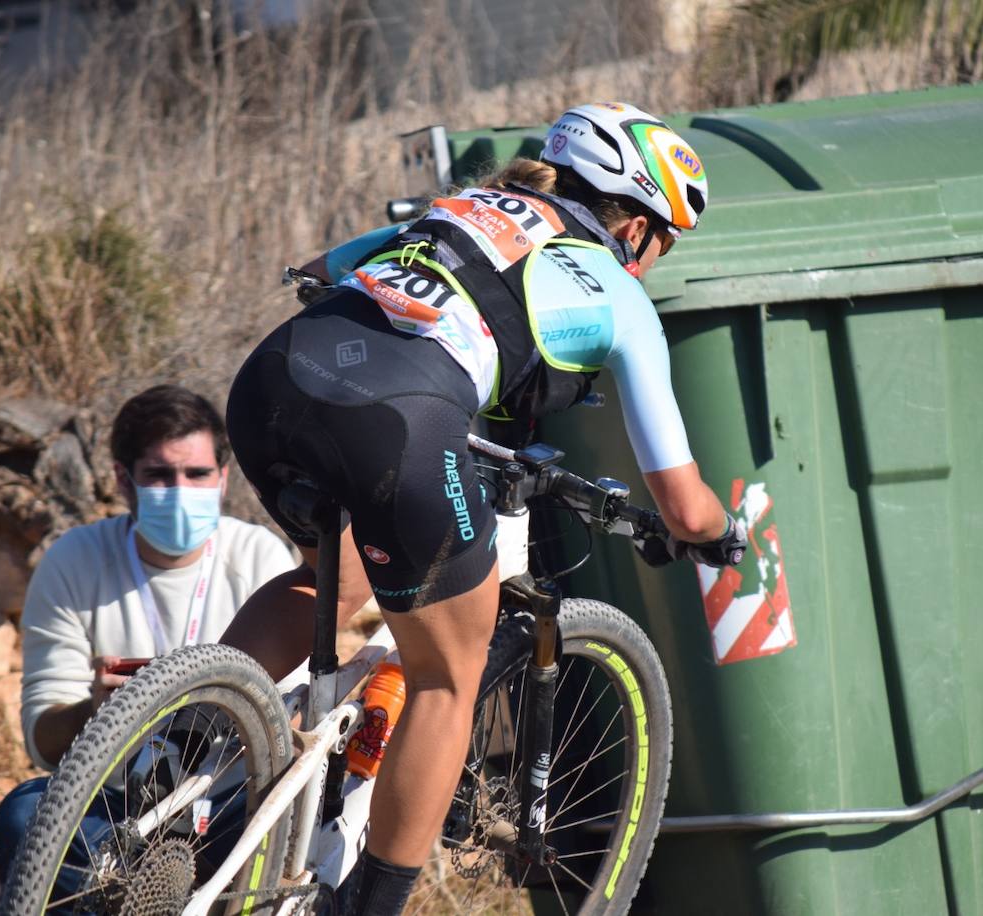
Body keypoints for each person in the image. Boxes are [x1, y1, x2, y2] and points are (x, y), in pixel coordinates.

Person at [220, 101, 748, 914]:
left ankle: (174, 770)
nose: (654, 263)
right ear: (635, 225)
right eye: (664, 241)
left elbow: (321, 271)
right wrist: (720, 532)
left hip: (273, 381)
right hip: (399, 421)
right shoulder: (618, 294)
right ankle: (371, 907)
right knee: (445, 677)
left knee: (339, 571)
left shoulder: (460, 210)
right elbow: (682, 504)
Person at [0, 384, 297, 886]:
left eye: (197, 474)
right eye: (159, 476)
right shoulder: (73, 561)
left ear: (223, 479)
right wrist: (94, 709)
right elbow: (44, 744)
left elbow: (291, 711)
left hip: (228, 802)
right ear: (122, 481)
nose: (180, 492)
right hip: (117, 805)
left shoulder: (260, 556)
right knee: (25, 819)